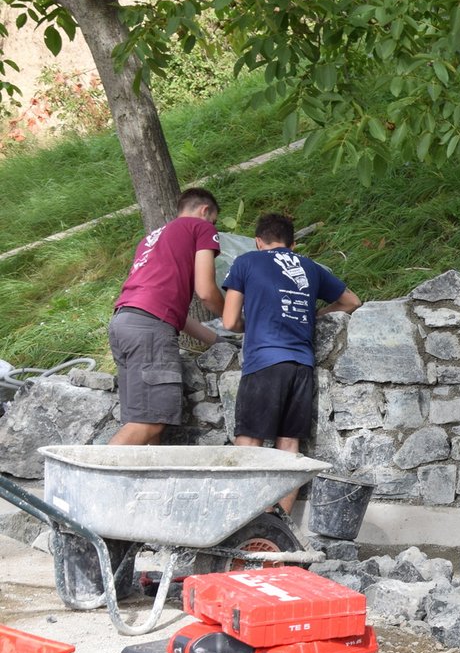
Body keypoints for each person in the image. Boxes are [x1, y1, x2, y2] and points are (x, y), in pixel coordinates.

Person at [221, 213, 361, 513]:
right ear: (293, 244)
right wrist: (315, 317)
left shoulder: (246, 261)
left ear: (258, 242)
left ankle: (253, 520)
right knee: (288, 445)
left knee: (248, 443)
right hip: (301, 365)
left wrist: (253, 321)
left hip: (264, 362)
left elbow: (230, 321)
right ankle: (279, 524)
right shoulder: (310, 266)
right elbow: (352, 301)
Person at [107, 187, 225, 445]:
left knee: (147, 426)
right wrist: (234, 319)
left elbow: (174, 315)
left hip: (124, 322)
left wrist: (219, 341)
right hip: (149, 329)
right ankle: (90, 472)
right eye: (214, 220)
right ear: (205, 211)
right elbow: (206, 291)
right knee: (149, 423)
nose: (213, 226)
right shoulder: (201, 227)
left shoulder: (151, 240)